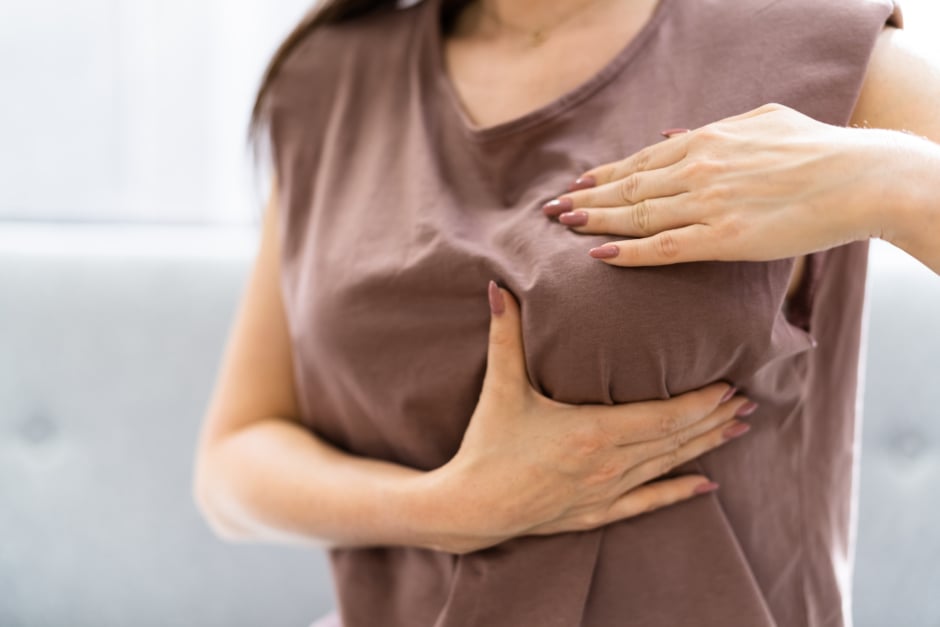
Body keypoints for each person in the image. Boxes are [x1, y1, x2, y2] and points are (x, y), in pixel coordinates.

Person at [191, 0, 937, 625]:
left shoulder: (800, 39)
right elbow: (232, 464)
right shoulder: (331, 78)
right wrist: (446, 506)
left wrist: (885, 181)